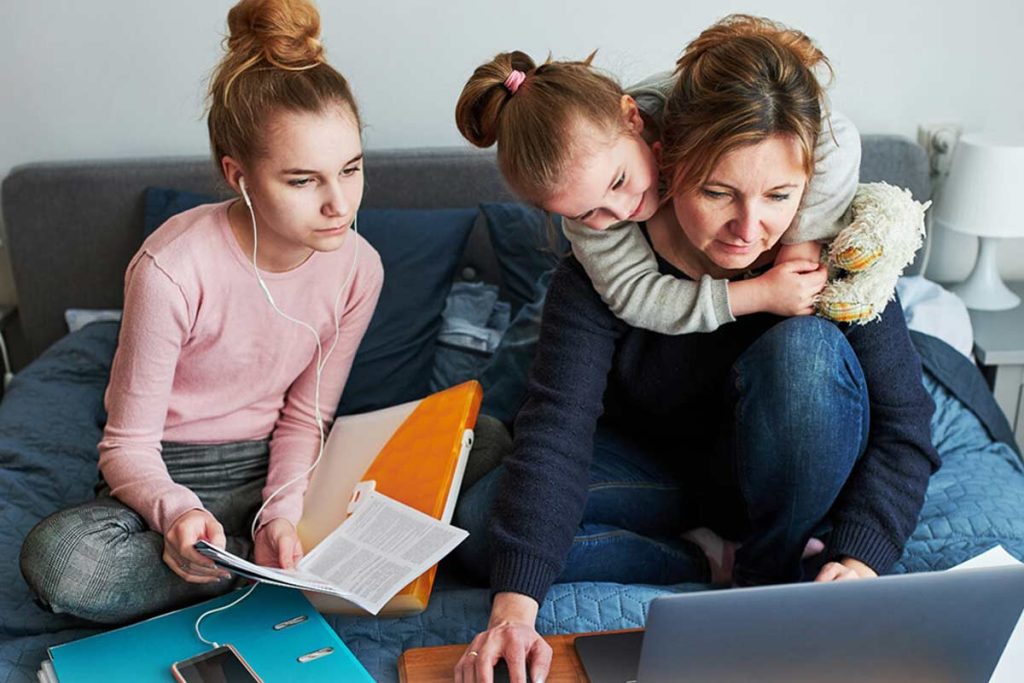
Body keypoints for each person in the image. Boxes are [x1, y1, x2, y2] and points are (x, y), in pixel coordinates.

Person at [452, 15, 939, 683]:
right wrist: (513, 612)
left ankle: (767, 570)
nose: (749, 229)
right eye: (717, 193)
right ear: (669, 160)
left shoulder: (838, 255)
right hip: (665, 472)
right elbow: (557, 429)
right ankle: (704, 558)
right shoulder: (601, 275)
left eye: (779, 195)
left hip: (786, 485)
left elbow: (907, 429)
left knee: (806, 355)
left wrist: (860, 558)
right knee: (484, 528)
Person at [19, 0, 383, 625]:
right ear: (238, 176)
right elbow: (126, 445)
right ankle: (253, 570)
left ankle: (252, 560)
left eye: (350, 170)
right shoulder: (171, 268)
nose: (338, 205)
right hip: (167, 469)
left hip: (278, 467)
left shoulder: (360, 267)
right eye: (302, 181)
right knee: (65, 563)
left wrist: (279, 514)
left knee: (478, 443)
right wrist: (179, 514)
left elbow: (306, 418)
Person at [455, 38, 860, 336]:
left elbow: (835, 134)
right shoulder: (589, 224)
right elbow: (636, 296)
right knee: (558, 301)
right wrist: (762, 293)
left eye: (619, 181)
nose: (621, 212)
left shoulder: (687, 103)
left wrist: (801, 245)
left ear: (631, 117)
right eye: (586, 212)